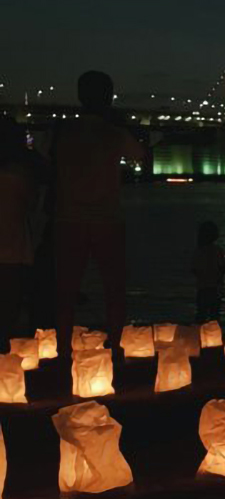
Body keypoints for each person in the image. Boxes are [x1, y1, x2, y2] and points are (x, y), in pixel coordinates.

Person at [51, 71, 147, 352]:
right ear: (108, 97)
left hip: (67, 220)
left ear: (80, 96)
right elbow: (141, 155)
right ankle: (114, 345)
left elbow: (48, 165)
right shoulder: (115, 134)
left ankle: (62, 351)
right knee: (114, 290)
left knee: (66, 292)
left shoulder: (61, 133)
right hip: (107, 221)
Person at [0, 115, 47, 349]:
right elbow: (33, 205)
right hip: (14, 246)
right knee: (10, 309)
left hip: (12, 244)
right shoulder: (19, 175)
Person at [192, 221, 225, 322]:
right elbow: (223, 268)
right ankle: (214, 336)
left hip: (203, 286)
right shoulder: (217, 250)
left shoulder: (199, 251)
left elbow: (194, 269)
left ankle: (197, 334)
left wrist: (202, 276)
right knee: (214, 316)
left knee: (201, 314)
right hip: (215, 287)